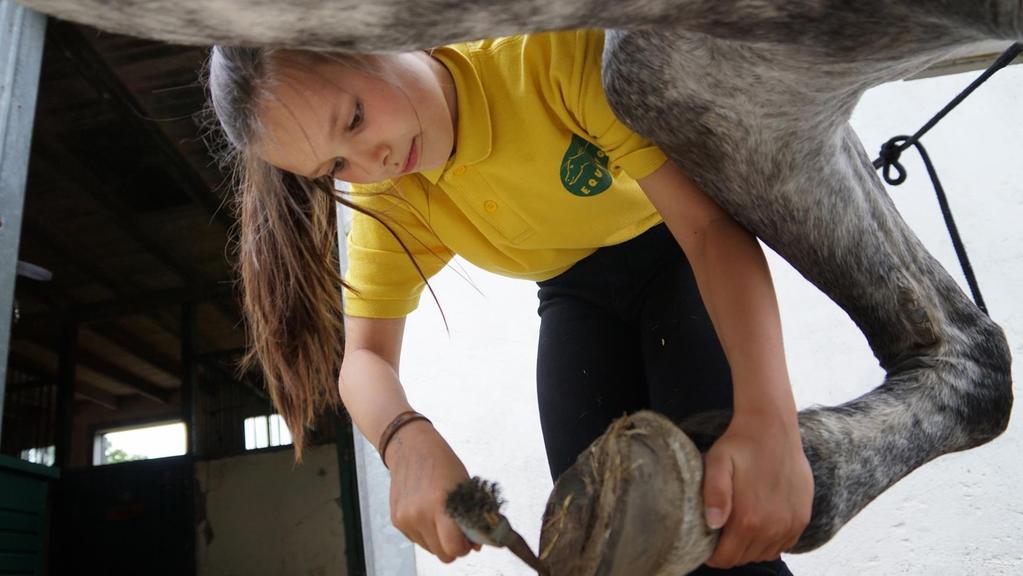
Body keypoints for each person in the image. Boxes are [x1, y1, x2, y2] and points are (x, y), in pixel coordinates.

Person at [206, 29, 812, 574]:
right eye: (336, 164)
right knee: (595, 545)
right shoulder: (395, 195)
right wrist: (404, 439)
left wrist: (771, 421)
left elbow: (707, 229)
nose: (375, 162)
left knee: (722, 522)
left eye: (357, 118)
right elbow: (364, 359)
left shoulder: (540, 54)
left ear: (389, 30)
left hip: (678, 254)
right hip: (575, 300)